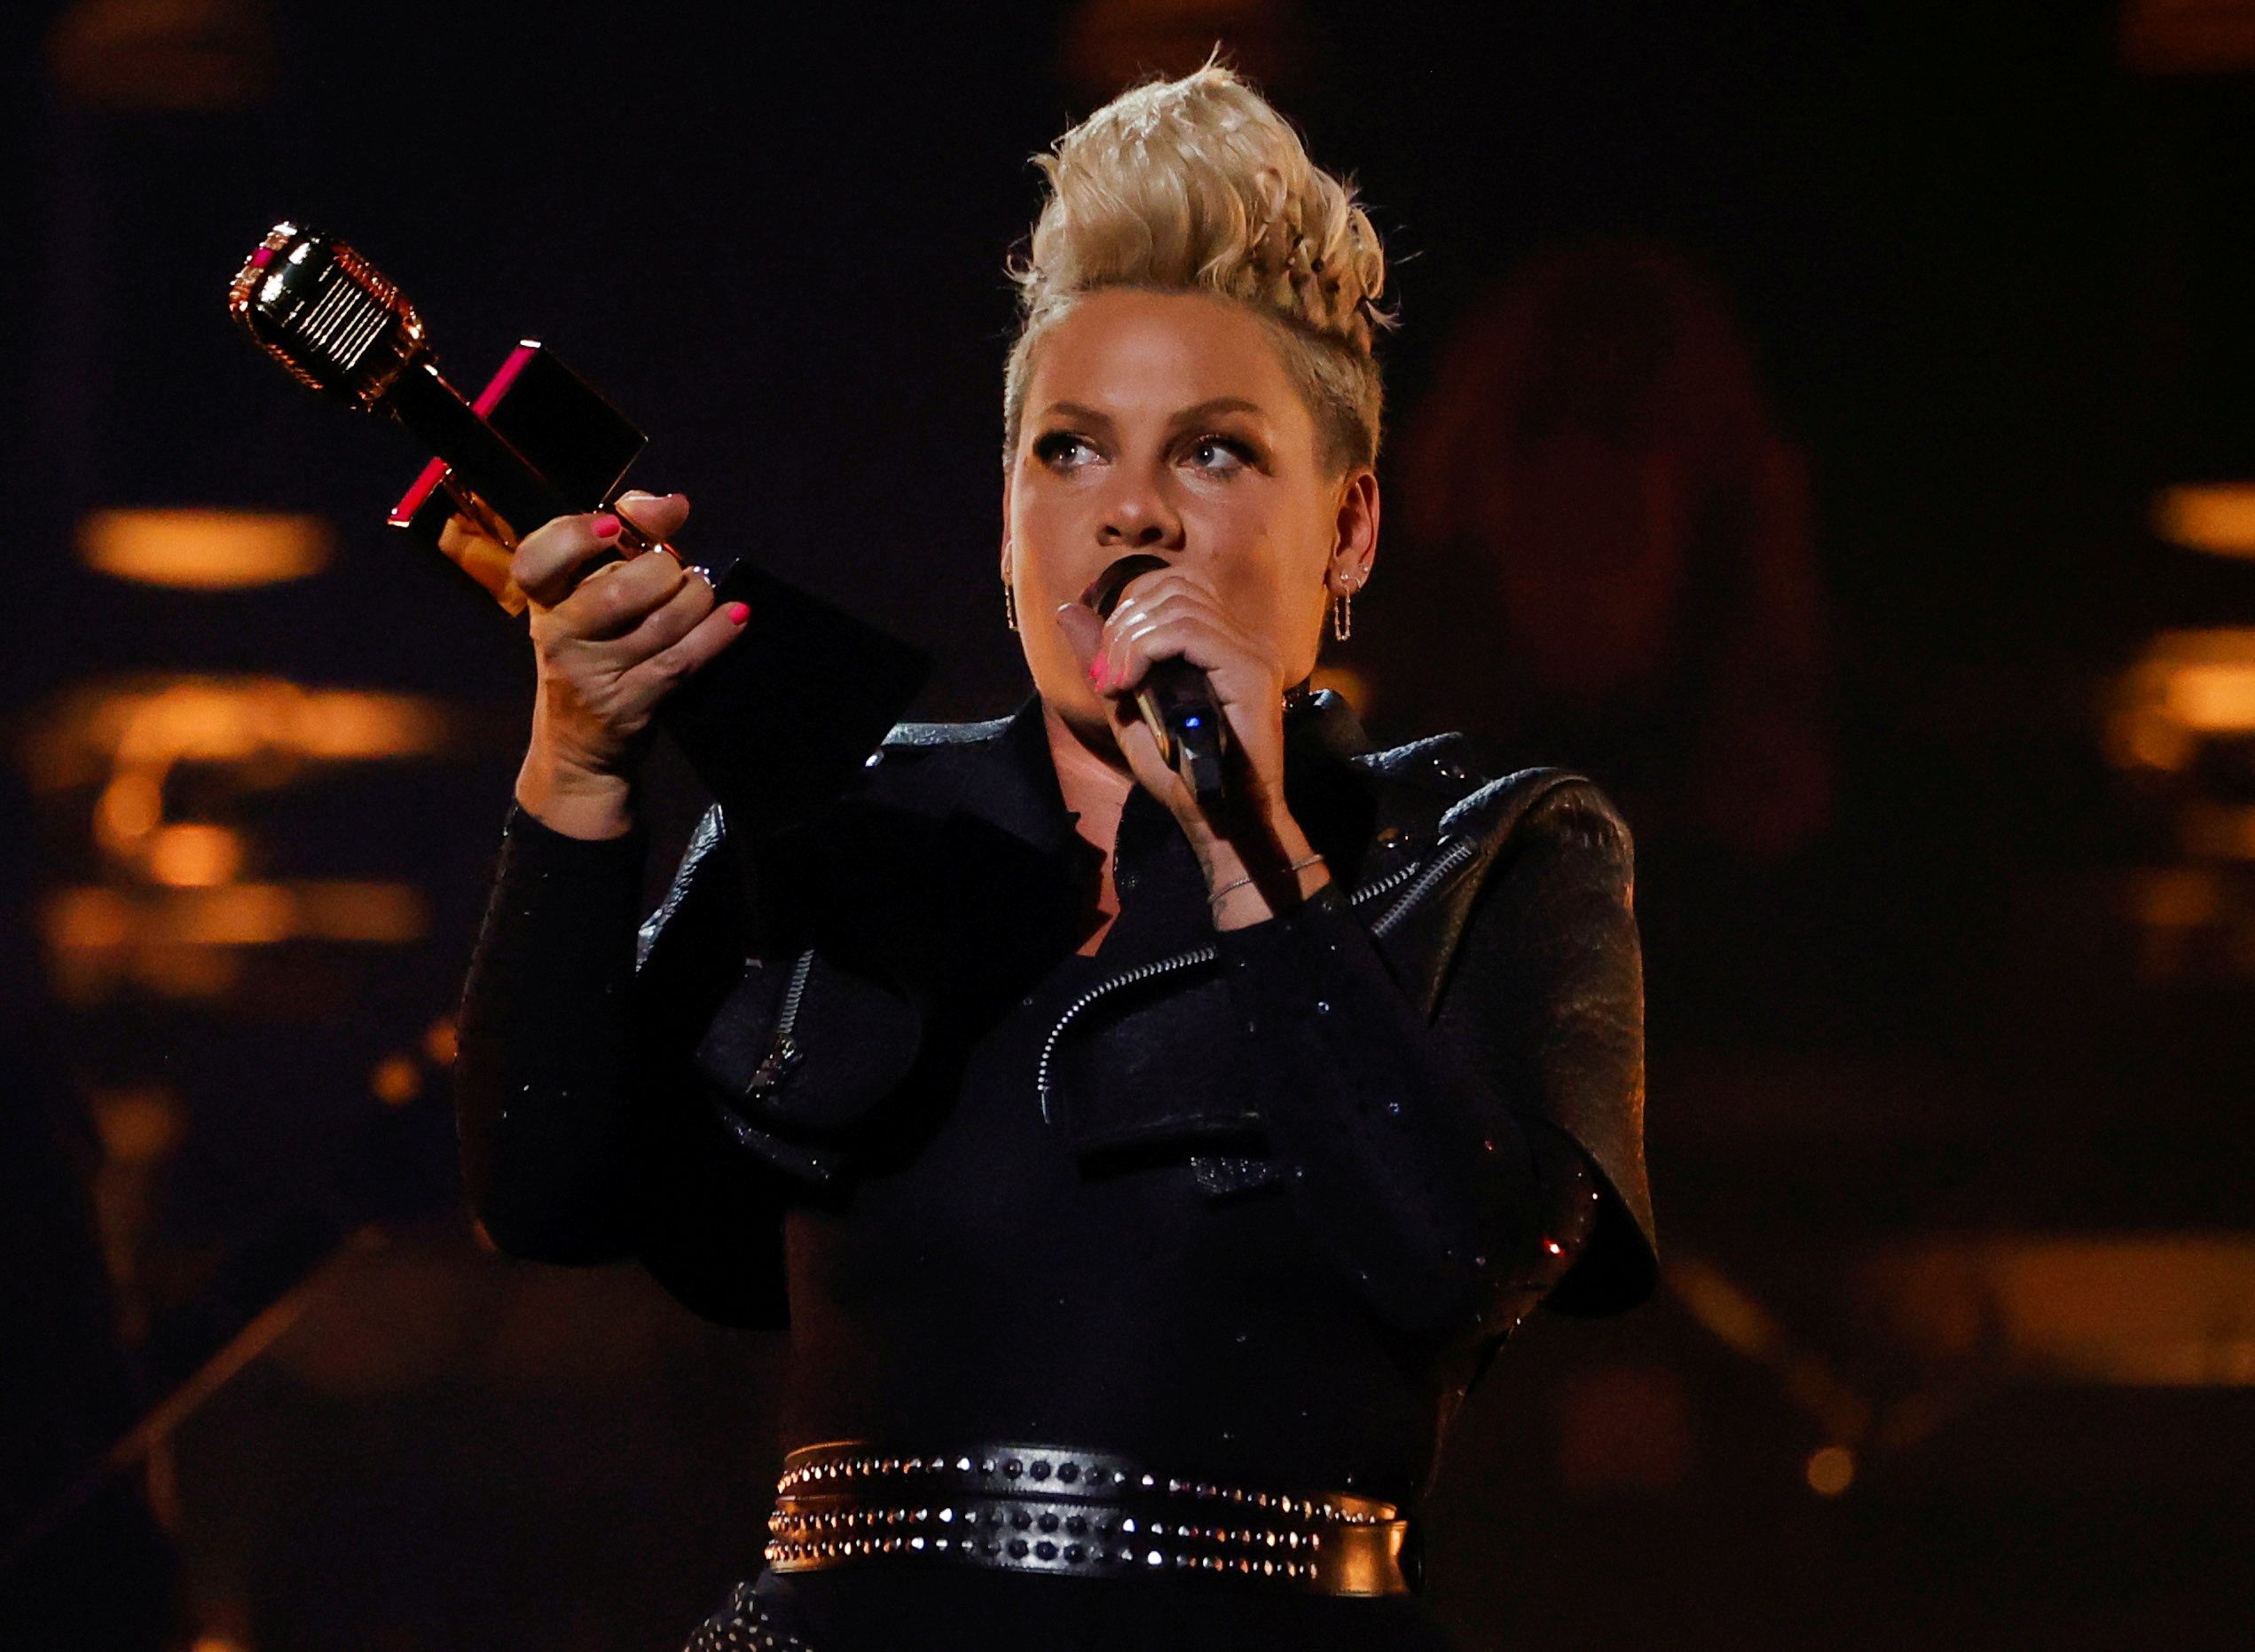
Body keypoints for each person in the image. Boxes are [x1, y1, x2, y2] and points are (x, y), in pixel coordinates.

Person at [452, 63, 1655, 1652]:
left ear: (1350, 527)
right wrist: (578, 760)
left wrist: (1249, 847)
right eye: (1068, 451)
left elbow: (1463, 1262)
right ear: (1006, 508)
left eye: (1215, 453)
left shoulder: (1484, 850)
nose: (1130, 512)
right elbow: (547, 1193)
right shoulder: (847, 821)